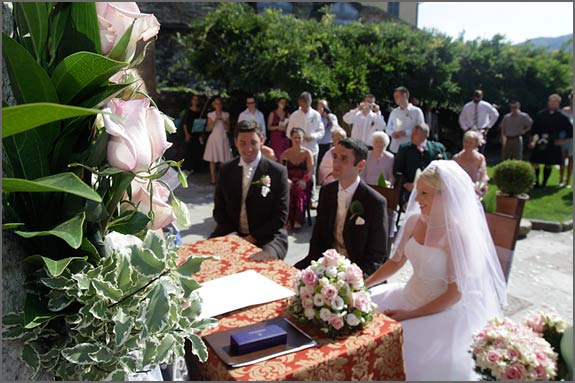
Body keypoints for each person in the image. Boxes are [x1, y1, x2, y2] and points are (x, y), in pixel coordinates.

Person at [365, 160, 507, 381]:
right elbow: (395, 262)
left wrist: (408, 316)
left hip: (440, 312)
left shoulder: (457, 235)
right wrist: (363, 285)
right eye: (418, 192)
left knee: (401, 349)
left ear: (445, 195)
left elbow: (454, 294)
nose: (417, 199)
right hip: (406, 296)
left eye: (424, 193)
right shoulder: (413, 221)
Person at [294, 138, 389, 278]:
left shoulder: (374, 202)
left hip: (357, 271)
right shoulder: (327, 191)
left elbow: (377, 254)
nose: (336, 163)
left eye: (343, 158)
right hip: (326, 265)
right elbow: (318, 237)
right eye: (335, 157)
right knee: (288, 277)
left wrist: (354, 280)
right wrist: (315, 268)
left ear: (361, 165)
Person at [211, 120, 289, 260]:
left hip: (268, 236)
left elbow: (280, 217)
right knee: (206, 260)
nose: (248, 148)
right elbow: (219, 210)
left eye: (253, 142)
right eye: (243, 143)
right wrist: (233, 235)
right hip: (231, 232)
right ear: (235, 142)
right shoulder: (226, 170)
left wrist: (251, 238)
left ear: (262, 140)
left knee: (262, 264)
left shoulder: (277, 172)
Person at [286, 91, 325, 207]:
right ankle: (297, 196)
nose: (304, 106)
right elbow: (288, 132)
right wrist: (297, 138)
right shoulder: (294, 115)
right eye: (302, 104)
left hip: (312, 148)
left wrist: (312, 137)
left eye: (306, 103)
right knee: (298, 172)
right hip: (297, 150)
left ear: (310, 102)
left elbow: (321, 131)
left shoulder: (316, 115)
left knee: (310, 173)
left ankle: (311, 198)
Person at [393, 123, 447, 204]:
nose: (412, 135)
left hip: (432, 188)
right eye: (412, 132)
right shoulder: (404, 148)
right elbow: (397, 170)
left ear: (425, 135)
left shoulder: (437, 149)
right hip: (411, 189)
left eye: (416, 133)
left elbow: (445, 169)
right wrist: (406, 184)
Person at [528, 93, 573, 188]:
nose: (552, 104)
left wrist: (562, 141)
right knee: (535, 162)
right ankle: (536, 183)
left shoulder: (562, 117)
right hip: (540, 141)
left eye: (555, 102)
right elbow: (534, 130)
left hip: (553, 143)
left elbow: (570, 131)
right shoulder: (541, 115)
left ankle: (544, 183)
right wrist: (532, 141)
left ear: (558, 103)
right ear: (548, 102)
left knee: (548, 163)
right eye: (551, 101)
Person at [280, 128, 314, 231]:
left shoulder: (307, 153)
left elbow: (310, 171)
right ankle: (288, 220)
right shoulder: (285, 154)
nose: (297, 140)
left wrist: (304, 180)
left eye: (299, 138)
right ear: (291, 138)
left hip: (303, 180)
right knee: (288, 191)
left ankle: (298, 220)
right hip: (289, 180)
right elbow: (282, 170)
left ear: (303, 139)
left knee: (299, 191)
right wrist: (286, 180)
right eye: (295, 137)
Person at [385, 87, 425, 154]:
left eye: (397, 96)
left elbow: (421, 129)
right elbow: (388, 128)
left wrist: (406, 132)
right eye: (394, 97)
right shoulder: (394, 112)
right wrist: (392, 133)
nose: (395, 98)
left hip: (410, 147)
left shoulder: (416, 111)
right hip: (395, 148)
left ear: (404, 95)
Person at [203, 96, 231, 185]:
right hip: (214, 137)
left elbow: (228, 128)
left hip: (223, 137)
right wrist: (215, 119)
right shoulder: (210, 114)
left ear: (221, 105)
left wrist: (222, 119)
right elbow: (209, 127)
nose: (218, 105)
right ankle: (213, 178)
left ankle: (222, 178)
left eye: (219, 103)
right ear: (214, 105)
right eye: (216, 104)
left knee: (223, 160)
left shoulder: (226, 115)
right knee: (212, 159)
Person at [452, 130, 489, 198]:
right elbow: (452, 176)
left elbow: (483, 176)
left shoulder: (480, 158)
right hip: (459, 188)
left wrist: (479, 186)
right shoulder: (456, 158)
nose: (467, 144)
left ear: (475, 144)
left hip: (475, 188)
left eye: (471, 142)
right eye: (466, 141)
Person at [180, 94, 204, 172]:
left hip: (197, 133)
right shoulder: (188, 111)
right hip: (189, 133)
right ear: (191, 101)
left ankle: (196, 168)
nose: (195, 101)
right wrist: (187, 134)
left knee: (196, 151)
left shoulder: (200, 111)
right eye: (194, 99)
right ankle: (187, 167)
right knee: (188, 151)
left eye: (197, 99)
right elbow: (184, 124)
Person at [316, 99, 339, 177]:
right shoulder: (315, 116)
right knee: (317, 162)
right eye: (320, 105)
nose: (321, 108)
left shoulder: (332, 117)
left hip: (327, 142)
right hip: (317, 142)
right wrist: (319, 116)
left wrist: (327, 118)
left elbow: (335, 128)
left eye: (323, 105)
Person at [560, 93, 574, 188]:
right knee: (562, 159)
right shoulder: (564, 110)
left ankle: (568, 181)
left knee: (571, 160)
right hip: (564, 138)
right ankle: (561, 179)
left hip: (573, 139)